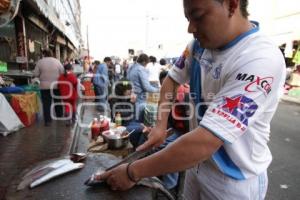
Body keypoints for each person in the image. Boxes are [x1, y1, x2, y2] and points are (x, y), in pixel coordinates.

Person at [99, 0, 286, 199]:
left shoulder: (260, 59)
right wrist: (160, 126)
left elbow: (205, 142)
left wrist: (132, 172)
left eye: (197, 16)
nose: (190, 28)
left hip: (233, 181)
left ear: (232, 5)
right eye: (188, 19)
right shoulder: (198, 46)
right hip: (196, 166)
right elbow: (171, 80)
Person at [34, 49, 64, 126]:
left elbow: (35, 74)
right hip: (56, 86)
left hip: (44, 87)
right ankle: (59, 116)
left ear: (44, 54)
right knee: (58, 101)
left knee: (46, 104)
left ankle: (48, 121)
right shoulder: (57, 61)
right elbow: (62, 72)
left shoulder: (40, 62)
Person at [127, 53, 159, 120]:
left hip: (132, 95)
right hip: (140, 97)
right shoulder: (141, 69)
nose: (146, 65)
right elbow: (146, 87)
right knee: (140, 119)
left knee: (135, 117)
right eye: (147, 63)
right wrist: (157, 90)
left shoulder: (131, 67)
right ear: (144, 62)